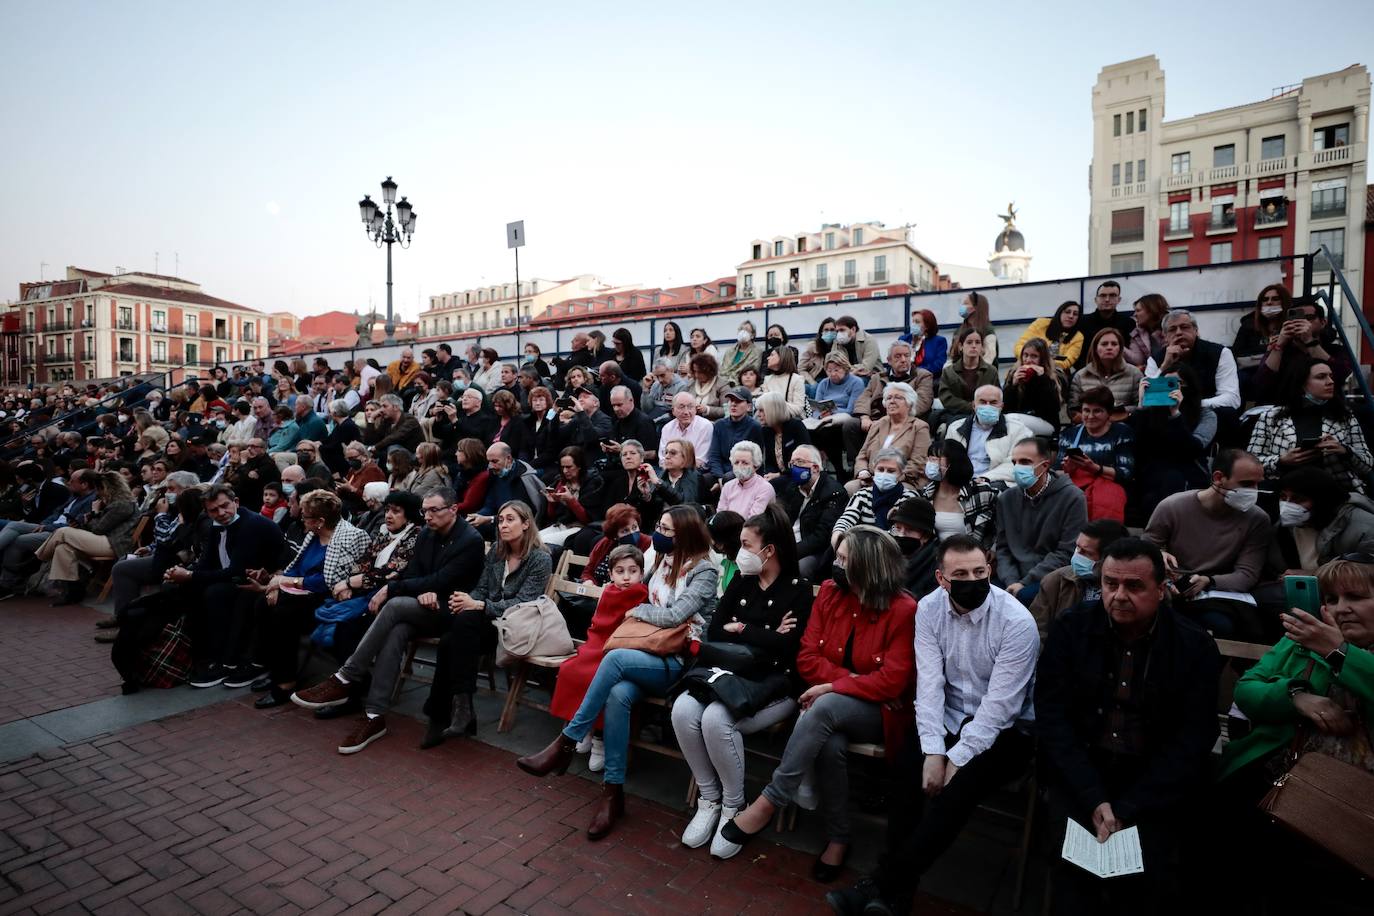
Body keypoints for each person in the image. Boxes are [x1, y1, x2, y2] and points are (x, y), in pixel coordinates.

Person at [828, 534, 1038, 915]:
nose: (973, 579)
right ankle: (896, 897)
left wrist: (954, 757)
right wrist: (932, 750)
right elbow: (930, 685)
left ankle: (884, 882)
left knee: (952, 795)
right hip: (947, 716)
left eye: (980, 571)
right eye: (962, 573)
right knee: (906, 778)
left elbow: (1000, 708)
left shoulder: (1016, 622)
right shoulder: (929, 609)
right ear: (942, 578)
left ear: (990, 569)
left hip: (1005, 732)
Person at [720, 526, 918, 881]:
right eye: (837, 557)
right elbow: (807, 658)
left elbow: (894, 680)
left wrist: (832, 686)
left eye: (844, 560)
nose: (836, 566)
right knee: (830, 742)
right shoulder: (829, 593)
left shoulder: (903, 609)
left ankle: (771, 799)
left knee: (823, 708)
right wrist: (843, 682)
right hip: (828, 705)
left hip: (878, 710)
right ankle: (839, 837)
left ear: (869, 566)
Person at [1035, 537, 1221, 914]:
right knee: (1073, 876)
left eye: (1134, 586)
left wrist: (1129, 805)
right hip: (1083, 772)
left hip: (1151, 781)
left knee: (1145, 881)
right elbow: (1053, 717)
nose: (1119, 595)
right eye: (1110, 584)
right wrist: (1092, 796)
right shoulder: (1072, 629)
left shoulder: (1193, 645)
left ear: (1161, 589)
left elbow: (1194, 737)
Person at [516, 506, 719, 840]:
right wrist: (645, 612)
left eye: (665, 529)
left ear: (682, 534)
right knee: (617, 694)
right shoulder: (663, 562)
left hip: (679, 660)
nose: (658, 533)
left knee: (612, 661)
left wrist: (636, 610)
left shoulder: (703, 571)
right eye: (659, 525)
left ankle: (566, 741)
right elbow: (658, 611)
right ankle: (613, 794)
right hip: (646, 650)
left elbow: (674, 617)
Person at [290, 488, 485, 754]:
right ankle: (374, 715)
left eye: (433, 510)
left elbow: (444, 580)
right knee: (396, 631)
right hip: (422, 606)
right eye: (424, 510)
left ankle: (346, 676)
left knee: (393, 604)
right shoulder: (427, 534)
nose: (426, 516)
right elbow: (414, 574)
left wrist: (396, 589)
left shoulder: (470, 539)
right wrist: (418, 590)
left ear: (453, 509)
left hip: (455, 610)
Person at [672, 504, 812, 859]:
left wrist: (745, 629)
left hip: (774, 683)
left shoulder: (798, 589)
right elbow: (716, 630)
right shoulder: (741, 579)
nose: (741, 552)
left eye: (747, 545)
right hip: (728, 674)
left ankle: (735, 806)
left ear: (769, 550)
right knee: (684, 709)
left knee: (718, 719)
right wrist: (762, 633)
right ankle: (709, 798)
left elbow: (786, 647)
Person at [422, 501, 552, 748]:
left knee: (456, 633)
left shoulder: (540, 558)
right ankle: (460, 710)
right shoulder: (496, 552)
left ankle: (443, 715)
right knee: (453, 635)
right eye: (501, 520)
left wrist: (478, 606)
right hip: (484, 624)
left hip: (515, 627)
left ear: (526, 524)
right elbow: (482, 588)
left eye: (510, 519)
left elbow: (524, 603)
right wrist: (468, 600)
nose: (503, 525)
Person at [250, 490, 371, 708]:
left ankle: (285, 682)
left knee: (284, 612)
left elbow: (330, 581)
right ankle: (277, 669)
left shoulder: (350, 537)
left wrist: (289, 583)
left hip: (330, 598)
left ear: (320, 521)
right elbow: (295, 566)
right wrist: (280, 584)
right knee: (263, 604)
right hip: (301, 593)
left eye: (305, 516)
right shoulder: (312, 535)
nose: (300, 519)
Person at [1144, 449, 1273, 640]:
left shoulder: (1257, 519)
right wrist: (1157, 556)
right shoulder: (1173, 506)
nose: (1253, 491)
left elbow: (1247, 574)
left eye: (1257, 484)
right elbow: (1143, 551)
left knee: (1224, 625)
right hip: (1168, 587)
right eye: (1246, 484)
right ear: (1219, 477)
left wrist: (1209, 581)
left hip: (1213, 596)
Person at [167, 484, 286, 688]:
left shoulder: (251, 525)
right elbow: (207, 561)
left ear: (236, 502)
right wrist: (182, 575)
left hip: (264, 580)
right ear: (207, 511)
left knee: (216, 593)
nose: (221, 513)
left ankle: (228, 661)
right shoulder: (216, 525)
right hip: (239, 578)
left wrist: (189, 575)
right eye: (214, 510)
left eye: (225, 506)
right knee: (184, 589)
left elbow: (236, 571)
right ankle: (198, 653)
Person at [552, 543, 650, 770]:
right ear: (610, 573)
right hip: (597, 644)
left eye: (633, 571)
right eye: (620, 571)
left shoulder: (641, 595)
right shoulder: (609, 591)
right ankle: (583, 727)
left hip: (619, 647)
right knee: (571, 670)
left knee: (597, 677)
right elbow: (598, 623)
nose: (627, 577)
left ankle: (599, 739)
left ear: (642, 573)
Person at [1248, 359, 1372, 495]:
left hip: (1336, 494)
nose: (1330, 381)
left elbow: (1367, 464)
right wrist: (1281, 461)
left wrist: (1344, 451)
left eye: (1330, 376)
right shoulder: (1271, 417)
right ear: (1301, 383)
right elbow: (1251, 463)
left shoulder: (1344, 415)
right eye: (1321, 377)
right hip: (1285, 495)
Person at [996, 437, 1088, 606]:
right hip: (1011, 576)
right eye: (1014, 462)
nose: (1017, 468)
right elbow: (1003, 548)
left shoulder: (1072, 498)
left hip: (1051, 576)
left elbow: (1067, 551)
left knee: (1024, 598)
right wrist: (1011, 581)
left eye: (1025, 462)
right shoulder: (1006, 499)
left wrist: (1024, 583)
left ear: (1045, 465)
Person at [34, 471, 139, 606]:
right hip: (102, 540)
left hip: (113, 544)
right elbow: (96, 527)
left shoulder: (123, 504)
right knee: (63, 548)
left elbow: (98, 528)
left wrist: (94, 513)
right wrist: (88, 519)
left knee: (63, 531)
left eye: (99, 489)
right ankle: (73, 591)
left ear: (106, 488)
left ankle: (40, 556)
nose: (98, 493)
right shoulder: (113, 503)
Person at [1128, 364, 1216, 511]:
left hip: (1188, 470)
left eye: (1176, 383)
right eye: (1166, 383)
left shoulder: (1205, 415)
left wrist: (1175, 414)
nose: (1171, 389)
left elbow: (1193, 449)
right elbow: (1135, 444)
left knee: (1171, 480)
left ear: (1189, 386)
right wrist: (1141, 406)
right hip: (1153, 470)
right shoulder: (1149, 412)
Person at [1027, 518, 1129, 643]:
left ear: (1108, 559)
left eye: (1086, 552)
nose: (1077, 555)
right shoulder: (1056, 581)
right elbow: (1035, 632)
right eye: (1077, 547)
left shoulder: (1124, 591)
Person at [1265, 467, 1374, 576]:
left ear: (1321, 501)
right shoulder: (1283, 528)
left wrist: (1312, 576)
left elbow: (1367, 577)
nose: (1287, 505)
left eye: (1298, 499)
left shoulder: (1365, 529)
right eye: (1283, 497)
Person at [1251, 298, 1352, 406]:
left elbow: (1340, 375)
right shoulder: (1281, 349)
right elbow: (1260, 385)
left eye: (1308, 318)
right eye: (1294, 318)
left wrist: (1309, 341)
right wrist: (1279, 345)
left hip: (1324, 409)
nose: (1301, 322)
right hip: (1284, 409)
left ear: (1323, 323)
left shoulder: (1335, 349)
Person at [1055, 385, 1135, 521]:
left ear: (1109, 413)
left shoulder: (1122, 433)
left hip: (1111, 484)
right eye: (1086, 410)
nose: (1090, 416)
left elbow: (1126, 473)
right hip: (1076, 482)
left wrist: (1094, 468)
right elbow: (1056, 472)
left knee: (1106, 502)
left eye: (1097, 411)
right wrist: (1068, 469)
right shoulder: (1069, 435)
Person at [1145, 310, 1241, 417]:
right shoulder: (1155, 359)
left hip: (1206, 414)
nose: (1178, 332)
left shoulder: (1220, 353)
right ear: (1165, 336)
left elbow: (1232, 399)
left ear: (1196, 330)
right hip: (1168, 416)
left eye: (1184, 327)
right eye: (1172, 329)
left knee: (1227, 413)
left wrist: (1191, 405)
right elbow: (1151, 399)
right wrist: (1165, 366)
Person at [913, 440, 997, 547]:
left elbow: (1000, 524)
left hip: (972, 554)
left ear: (953, 462)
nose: (930, 464)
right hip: (936, 557)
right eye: (929, 459)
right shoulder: (927, 494)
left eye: (935, 459)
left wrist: (993, 548)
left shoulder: (980, 492)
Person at [944, 386, 1032, 486]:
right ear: (974, 405)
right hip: (961, 482)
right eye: (983, 402)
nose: (988, 406)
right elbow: (947, 459)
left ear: (1002, 406)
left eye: (993, 403)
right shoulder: (956, 428)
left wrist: (986, 478)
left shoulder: (1017, 429)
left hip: (995, 482)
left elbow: (1016, 464)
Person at [832, 449, 915, 544]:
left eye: (891, 471)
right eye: (880, 469)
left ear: (901, 474)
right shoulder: (862, 495)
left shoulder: (909, 498)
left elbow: (904, 534)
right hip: (864, 550)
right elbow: (846, 519)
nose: (884, 474)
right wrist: (838, 535)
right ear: (874, 470)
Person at [809, 352, 868, 477]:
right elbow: (816, 408)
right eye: (829, 370)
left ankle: (840, 470)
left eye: (837, 370)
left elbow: (851, 410)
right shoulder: (824, 383)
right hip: (824, 419)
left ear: (845, 368)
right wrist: (821, 414)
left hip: (844, 419)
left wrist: (833, 412)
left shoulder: (856, 382)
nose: (833, 374)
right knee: (810, 430)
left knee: (829, 432)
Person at [1069, 327, 1143, 416]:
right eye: (1104, 344)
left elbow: (1140, 405)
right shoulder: (1081, 375)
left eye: (1114, 344)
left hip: (1124, 424)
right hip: (1090, 424)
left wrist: (1120, 411)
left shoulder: (1134, 373)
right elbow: (1073, 409)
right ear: (1095, 348)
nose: (1109, 347)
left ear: (1120, 348)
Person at [579, 503, 654, 588]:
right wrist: (589, 581)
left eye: (634, 527)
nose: (632, 533)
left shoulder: (648, 543)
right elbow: (588, 571)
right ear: (615, 535)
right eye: (625, 531)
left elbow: (645, 579)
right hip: (595, 591)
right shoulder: (606, 543)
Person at [539, 447, 599, 547]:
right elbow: (552, 516)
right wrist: (551, 502)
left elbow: (588, 519)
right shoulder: (560, 482)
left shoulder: (592, 483)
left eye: (569, 467)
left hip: (580, 528)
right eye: (562, 467)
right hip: (560, 525)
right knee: (528, 540)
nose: (565, 471)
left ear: (579, 466)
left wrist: (571, 501)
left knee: (542, 543)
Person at [935, 328, 999, 422]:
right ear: (961, 346)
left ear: (982, 347)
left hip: (985, 416)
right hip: (956, 417)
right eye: (969, 342)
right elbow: (946, 398)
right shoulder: (949, 372)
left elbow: (997, 395)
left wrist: (982, 407)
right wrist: (971, 406)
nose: (974, 346)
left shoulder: (991, 371)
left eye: (977, 342)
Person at [1001, 338, 1061, 436]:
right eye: (1026, 355)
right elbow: (1005, 408)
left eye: (1034, 356)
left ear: (1042, 359)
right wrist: (1013, 386)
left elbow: (1052, 409)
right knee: (1008, 420)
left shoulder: (1051, 376)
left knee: (1012, 419)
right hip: (1018, 419)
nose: (1028, 360)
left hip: (1046, 422)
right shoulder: (1014, 373)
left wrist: (1042, 379)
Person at [1074, 280, 1136, 370]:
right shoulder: (1082, 322)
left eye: (1112, 295)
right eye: (1103, 296)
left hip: (1120, 372)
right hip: (1087, 371)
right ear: (1096, 299)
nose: (1107, 299)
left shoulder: (1128, 323)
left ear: (1119, 300)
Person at [886, 496, 941, 597]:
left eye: (910, 530)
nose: (901, 535)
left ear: (926, 536)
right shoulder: (886, 555)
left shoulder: (937, 565)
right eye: (898, 528)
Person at [1231, 283, 1292, 373]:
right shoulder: (1248, 326)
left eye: (1275, 299)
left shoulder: (1291, 325)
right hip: (1253, 374)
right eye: (1265, 299)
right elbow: (1237, 354)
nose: (1269, 302)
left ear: (1284, 302)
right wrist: (1268, 349)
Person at [707, 388, 764, 482]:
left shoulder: (754, 427)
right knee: (701, 479)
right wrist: (719, 477)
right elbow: (714, 456)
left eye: (738, 401)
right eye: (731, 400)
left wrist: (725, 479)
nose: (733, 404)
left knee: (728, 478)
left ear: (749, 407)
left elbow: (757, 460)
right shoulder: (719, 425)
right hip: (721, 472)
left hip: (743, 471)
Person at [1014, 300, 1083, 373]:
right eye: (1067, 312)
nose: (1071, 316)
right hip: (1026, 365)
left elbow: (1066, 362)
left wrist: (1040, 362)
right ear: (1059, 312)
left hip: (1055, 372)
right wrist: (1032, 361)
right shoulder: (1041, 324)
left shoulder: (1078, 337)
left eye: (1075, 314)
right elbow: (1019, 347)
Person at [755, 391, 810, 477]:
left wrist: (779, 475)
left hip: (799, 476)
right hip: (778, 477)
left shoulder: (796, 427)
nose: (758, 414)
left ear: (773, 411)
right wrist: (769, 475)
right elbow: (769, 462)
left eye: (761, 410)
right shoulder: (766, 431)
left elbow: (804, 462)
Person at [716, 441, 774, 518]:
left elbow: (754, 521)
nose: (739, 466)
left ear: (756, 465)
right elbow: (720, 516)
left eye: (745, 463)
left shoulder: (765, 489)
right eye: (736, 462)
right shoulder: (727, 486)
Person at [657, 392, 713, 468]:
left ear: (695, 410)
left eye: (690, 407)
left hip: (695, 472)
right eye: (681, 407)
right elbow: (663, 459)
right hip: (669, 471)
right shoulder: (667, 428)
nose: (686, 412)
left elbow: (701, 461)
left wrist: (675, 466)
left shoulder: (705, 426)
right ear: (673, 411)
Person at [606, 385, 658, 464]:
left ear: (631, 400)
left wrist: (623, 451)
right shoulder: (616, 420)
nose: (616, 409)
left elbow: (652, 454)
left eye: (619, 405)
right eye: (613, 405)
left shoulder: (643, 422)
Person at [646, 439, 703, 507]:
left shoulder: (694, 477)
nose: (667, 457)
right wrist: (646, 495)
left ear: (685, 457)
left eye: (673, 453)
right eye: (666, 452)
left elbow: (686, 507)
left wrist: (660, 484)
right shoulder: (660, 476)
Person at [1123, 292, 1169, 370]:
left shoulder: (1172, 328)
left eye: (1138, 311)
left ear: (1151, 310)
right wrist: (1118, 347)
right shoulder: (1137, 333)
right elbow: (1138, 360)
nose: (1134, 315)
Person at [759, 343, 806, 419]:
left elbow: (798, 408)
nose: (768, 358)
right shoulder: (767, 379)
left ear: (782, 357)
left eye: (772, 355)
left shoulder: (796, 379)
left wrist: (775, 404)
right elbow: (764, 404)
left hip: (791, 419)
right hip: (771, 418)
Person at [953, 292, 998, 365]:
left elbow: (990, 356)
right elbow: (953, 357)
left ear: (976, 307)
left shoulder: (988, 330)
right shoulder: (958, 331)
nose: (962, 306)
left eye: (966, 303)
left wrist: (976, 372)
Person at [898, 308, 948, 375]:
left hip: (927, 377)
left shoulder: (939, 341)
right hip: (904, 377)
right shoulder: (903, 339)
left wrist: (916, 372)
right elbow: (896, 359)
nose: (913, 325)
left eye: (917, 322)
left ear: (927, 326)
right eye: (913, 322)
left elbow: (939, 364)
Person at [719, 319, 763, 387]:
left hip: (742, 386)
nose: (743, 332)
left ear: (752, 335)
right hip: (724, 384)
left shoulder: (757, 352)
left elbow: (752, 372)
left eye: (746, 330)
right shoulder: (729, 351)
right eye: (741, 329)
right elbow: (723, 371)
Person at [799, 317, 838, 382]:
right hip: (815, 380)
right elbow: (801, 369)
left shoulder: (840, 347)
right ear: (821, 332)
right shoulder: (812, 347)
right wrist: (812, 383)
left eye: (832, 330)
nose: (829, 332)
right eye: (826, 330)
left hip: (834, 381)